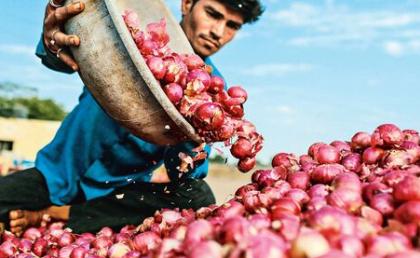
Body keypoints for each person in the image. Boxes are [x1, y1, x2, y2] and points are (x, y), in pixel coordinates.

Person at [0, 0, 264, 235]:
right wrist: (53, 42)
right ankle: (59, 215)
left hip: (116, 192)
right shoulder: (131, 39)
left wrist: (193, 132)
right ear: (186, 4)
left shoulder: (212, 94)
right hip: (56, 176)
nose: (218, 32)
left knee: (197, 195)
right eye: (212, 14)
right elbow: (67, 54)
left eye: (232, 26)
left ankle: (53, 215)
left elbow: (183, 172)